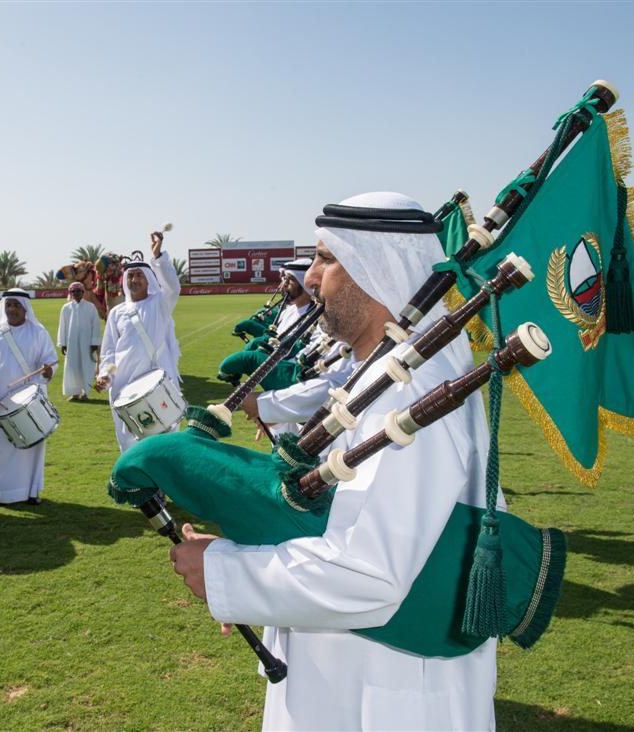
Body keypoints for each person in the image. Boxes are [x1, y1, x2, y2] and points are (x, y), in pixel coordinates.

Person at [170, 192, 497, 730]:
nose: (312, 278)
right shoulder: (381, 374)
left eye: (325, 258)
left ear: (376, 270)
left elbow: (369, 575)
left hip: (384, 687)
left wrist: (225, 572)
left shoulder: (408, 391)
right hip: (343, 669)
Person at [95, 231, 181, 452]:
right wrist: (106, 374)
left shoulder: (160, 304)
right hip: (124, 386)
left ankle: (166, 487)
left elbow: (173, 287)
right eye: (130, 276)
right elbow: (110, 353)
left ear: (148, 278)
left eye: (139, 275)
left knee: (164, 443)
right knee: (131, 446)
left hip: (158, 381)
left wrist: (159, 256)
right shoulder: (116, 313)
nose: (134, 280)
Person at [0, 289, 58, 506]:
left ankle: (32, 492)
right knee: (0, 448)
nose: (11, 309)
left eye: (16, 305)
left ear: (25, 308)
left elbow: (50, 360)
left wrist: (48, 371)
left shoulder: (38, 332)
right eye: (8, 305)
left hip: (30, 402)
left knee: (32, 446)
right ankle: (4, 494)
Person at [57, 281, 102, 401]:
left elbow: (96, 326)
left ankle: (85, 393)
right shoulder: (66, 308)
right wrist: (63, 344)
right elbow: (63, 327)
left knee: (87, 366)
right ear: (70, 293)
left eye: (79, 291)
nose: (76, 293)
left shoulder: (90, 307)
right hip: (71, 344)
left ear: (83, 292)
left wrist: (95, 343)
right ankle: (74, 393)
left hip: (87, 343)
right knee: (72, 367)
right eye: (73, 291)